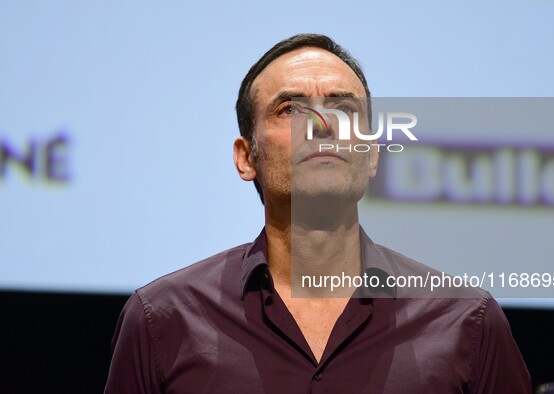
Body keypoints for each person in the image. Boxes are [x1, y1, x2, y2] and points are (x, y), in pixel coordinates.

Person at [105, 34, 531, 393]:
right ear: (245, 156)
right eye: (290, 109)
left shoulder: (466, 320)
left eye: (344, 109)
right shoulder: (162, 319)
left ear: (372, 155)